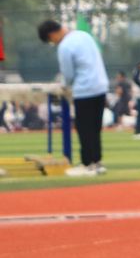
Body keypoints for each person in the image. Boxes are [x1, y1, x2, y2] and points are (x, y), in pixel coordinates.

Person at [39, 20, 109, 176]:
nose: (53, 43)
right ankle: (97, 162)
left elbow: (68, 74)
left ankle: (87, 164)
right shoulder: (84, 35)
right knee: (95, 128)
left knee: (84, 128)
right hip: (100, 85)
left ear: (52, 35)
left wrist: (64, 85)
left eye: (50, 40)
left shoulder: (65, 46)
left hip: (84, 89)